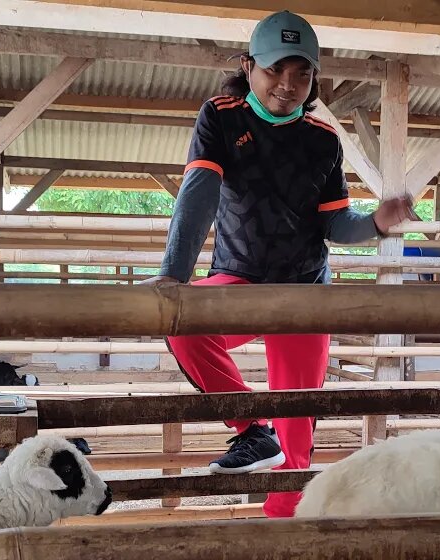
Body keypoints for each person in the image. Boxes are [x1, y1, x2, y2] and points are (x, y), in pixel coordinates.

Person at [140, 10, 416, 518]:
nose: (288, 85)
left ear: (314, 76)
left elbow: (336, 225)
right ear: (248, 67)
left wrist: (376, 222)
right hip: (238, 277)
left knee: (298, 441)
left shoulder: (323, 140)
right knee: (184, 327)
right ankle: (251, 428)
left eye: (302, 73)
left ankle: (286, 539)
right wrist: (172, 278)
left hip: (303, 293)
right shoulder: (221, 115)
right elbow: (198, 195)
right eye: (275, 71)